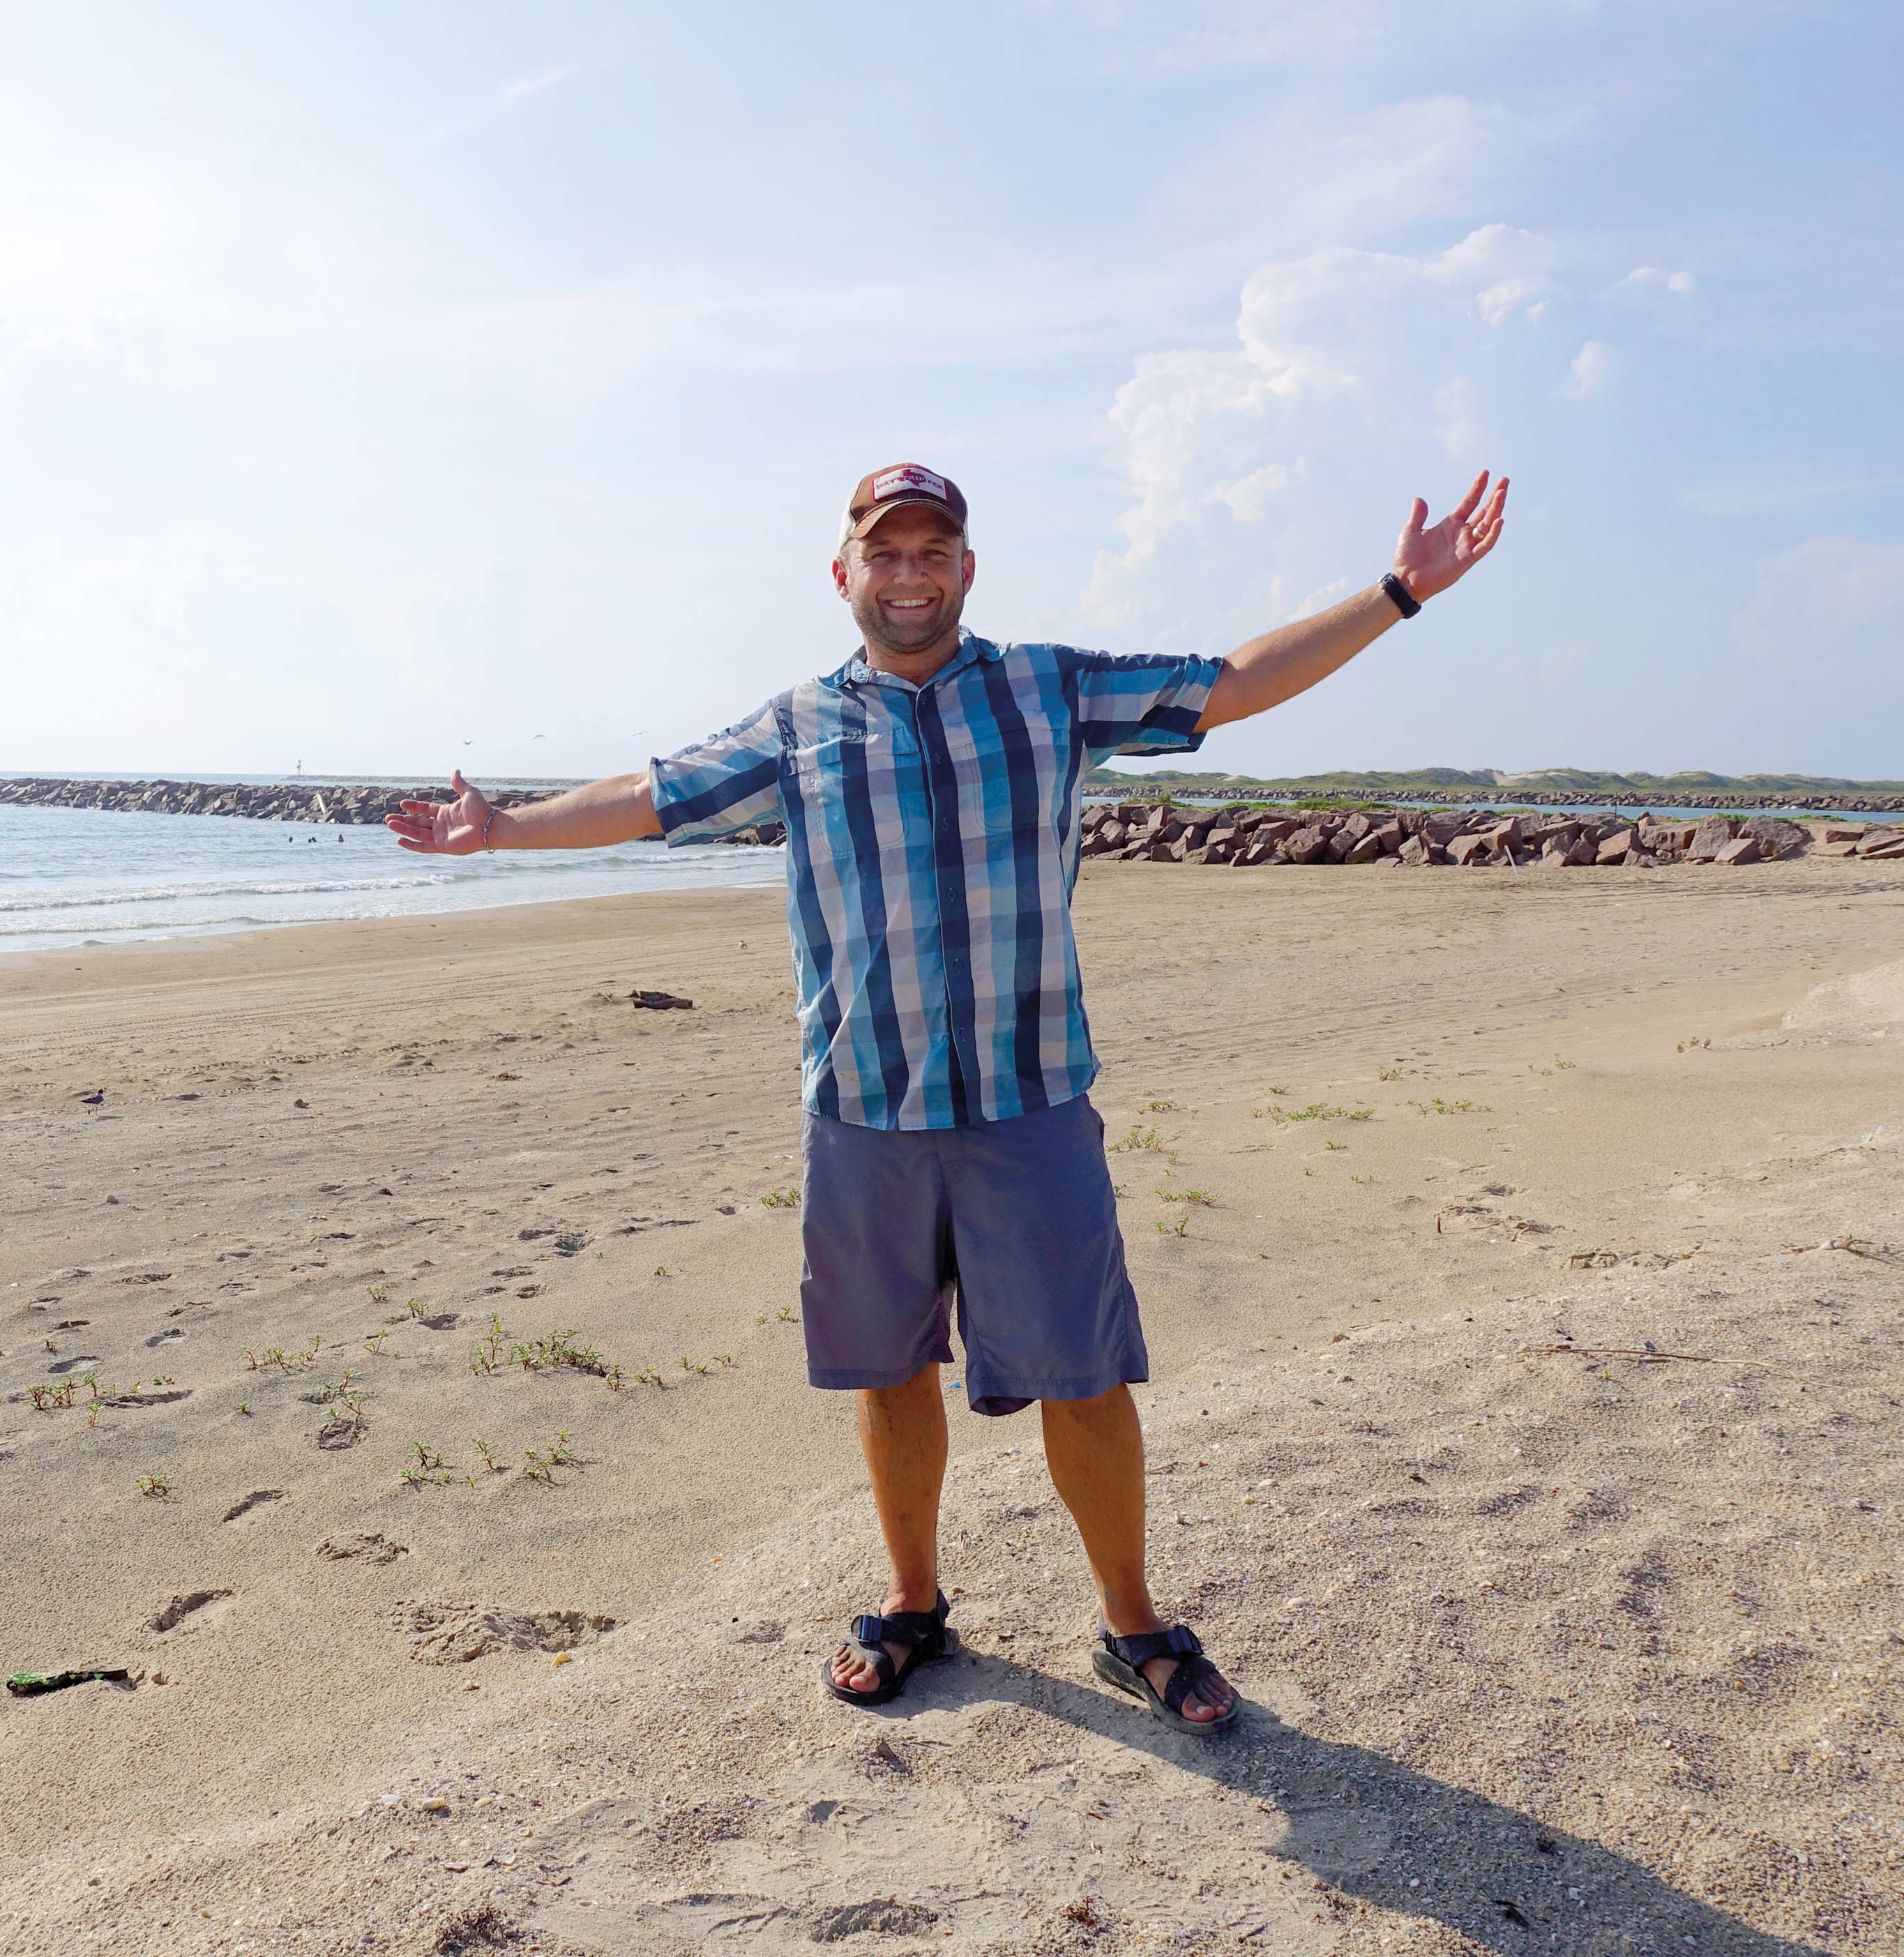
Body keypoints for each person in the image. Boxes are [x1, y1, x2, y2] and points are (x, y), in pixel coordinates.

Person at [388, 461, 1509, 1732]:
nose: (909, 573)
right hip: (864, 1107)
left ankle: (1132, 1621)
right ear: (844, 573)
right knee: (889, 1367)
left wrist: (1397, 593)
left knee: (1084, 1373)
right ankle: (913, 1600)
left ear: (966, 569)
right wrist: (503, 829)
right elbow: (651, 796)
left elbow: (1234, 683)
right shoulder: (797, 725)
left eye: (934, 551)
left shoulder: (1048, 688)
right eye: (886, 552)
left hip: (1027, 1098)